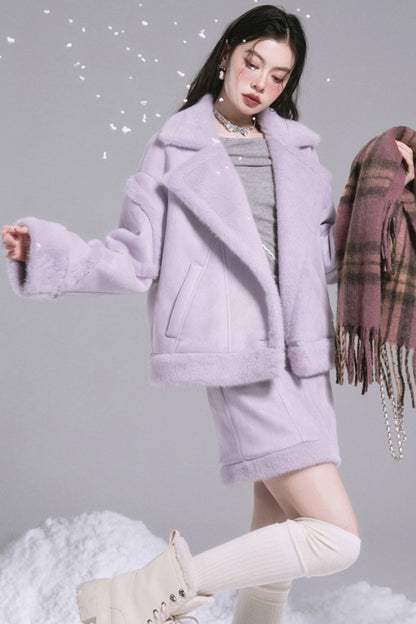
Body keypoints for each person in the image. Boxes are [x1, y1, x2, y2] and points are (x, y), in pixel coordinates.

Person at [2, 5, 414, 624]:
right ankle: (138, 593)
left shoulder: (297, 152)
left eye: (278, 76)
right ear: (227, 54)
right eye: (253, 62)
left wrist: (394, 192)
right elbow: (135, 257)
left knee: (275, 553)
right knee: (335, 537)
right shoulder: (176, 148)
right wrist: (46, 253)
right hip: (240, 354)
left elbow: (326, 256)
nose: (260, 83)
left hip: (304, 359)